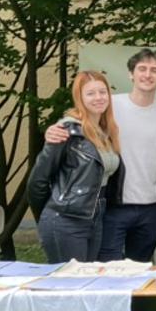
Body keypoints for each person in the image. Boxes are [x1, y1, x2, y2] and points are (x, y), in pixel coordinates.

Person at [28, 71, 122, 264]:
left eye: (102, 92)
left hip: (94, 219)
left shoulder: (106, 131)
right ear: (79, 98)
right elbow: (37, 181)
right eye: (91, 93)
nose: (98, 98)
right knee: (70, 285)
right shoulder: (66, 131)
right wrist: (49, 215)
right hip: (65, 219)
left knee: (87, 282)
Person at [100, 49, 156, 262]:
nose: (148, 74)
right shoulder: (110, 105)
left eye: (154, 70)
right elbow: (79, 121)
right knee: (108, 269)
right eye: (142, 69)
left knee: (141, 270)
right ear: (131, 74)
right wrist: (58, 129)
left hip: (150, 207)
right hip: (113, 205)